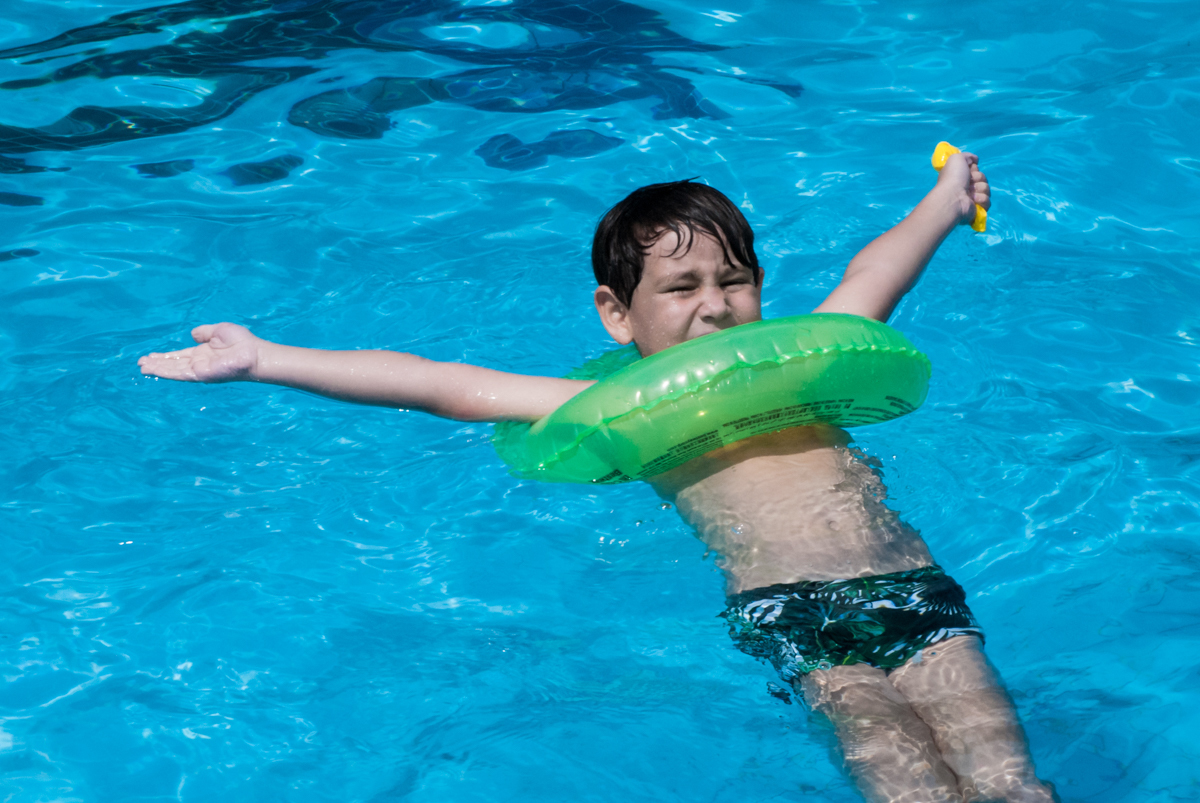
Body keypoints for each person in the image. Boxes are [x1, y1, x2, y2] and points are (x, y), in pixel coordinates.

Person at [139, 150, 1056, 802]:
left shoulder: (805, 361)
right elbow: (445, 385)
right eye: (682, 287)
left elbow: (874, 273)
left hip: (905, 584)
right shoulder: (614, 403)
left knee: (1007, 776)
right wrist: (267, 358)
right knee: (902, 782)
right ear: (619, 315)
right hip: (788, 609)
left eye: (734, 280)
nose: (714, 307)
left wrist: (945, 195)